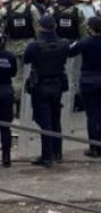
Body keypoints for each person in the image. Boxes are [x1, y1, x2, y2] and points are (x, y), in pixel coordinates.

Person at [24, 15, 69, 167]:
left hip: (40, 85)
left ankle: (47, 156)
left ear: (40, 27)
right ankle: (57, 152)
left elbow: (26, 59)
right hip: (57, 84)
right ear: (55, 26)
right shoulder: (63, 44)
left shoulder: (34, 45)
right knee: (55, 119)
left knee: (44, 121)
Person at [68, 16, 101, 158]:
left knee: (91, 116)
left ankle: (93, 147)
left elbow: (70, 52)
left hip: (88, 79)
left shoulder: (85, 42)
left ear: (90, 28)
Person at [3, 0, 39, 100]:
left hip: (11, 47)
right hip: (29, 46)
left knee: (15, 76)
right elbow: (38, 28)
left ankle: (15, 99)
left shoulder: (5, 11)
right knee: (28, 74)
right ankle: (25, 101)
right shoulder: (31, 9)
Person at [0, 34, 14, 167]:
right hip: (6, 91)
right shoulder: (10, 56)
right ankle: (6, 156)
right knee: (5, 127)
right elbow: (14, 72)